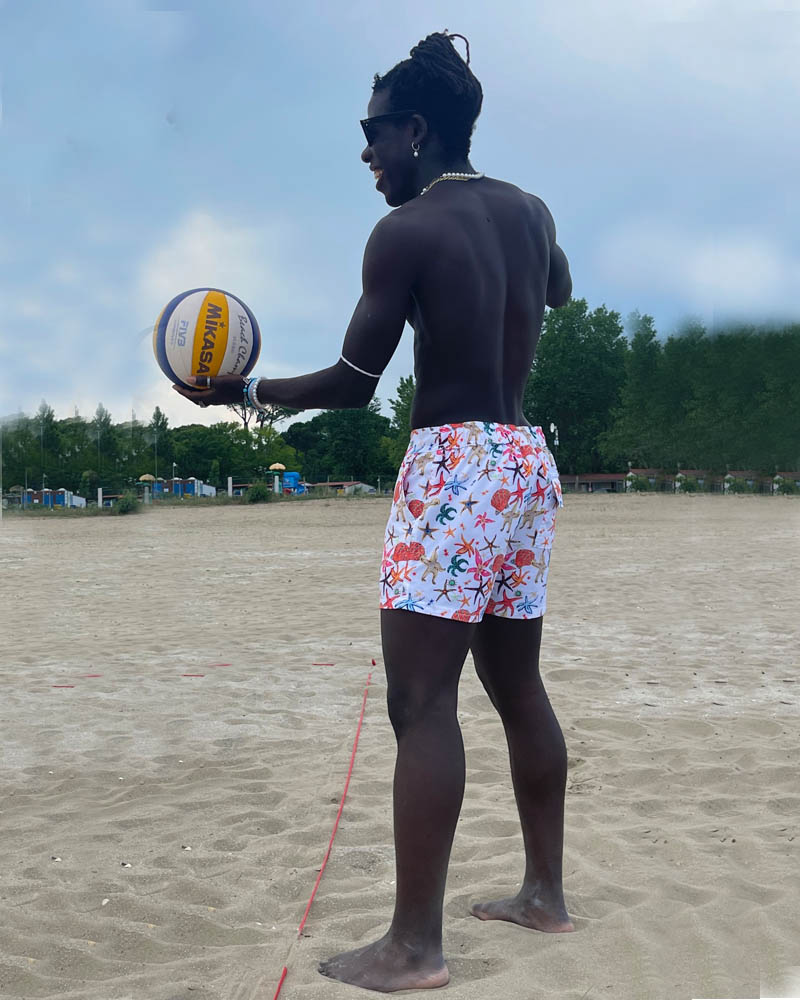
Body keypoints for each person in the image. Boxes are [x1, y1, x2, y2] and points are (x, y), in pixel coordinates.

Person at [174, 29, 574, 994]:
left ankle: (414, 948)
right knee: (517, 686)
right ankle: (544, 896)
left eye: (374, 132)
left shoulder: (406, 232)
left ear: (417, 130)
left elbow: (355, 383)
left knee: (421, 703)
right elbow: (560, 288)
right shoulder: (530, 210)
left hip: (455, 467)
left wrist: (246, 390)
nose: (366, 153)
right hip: (525, 459)